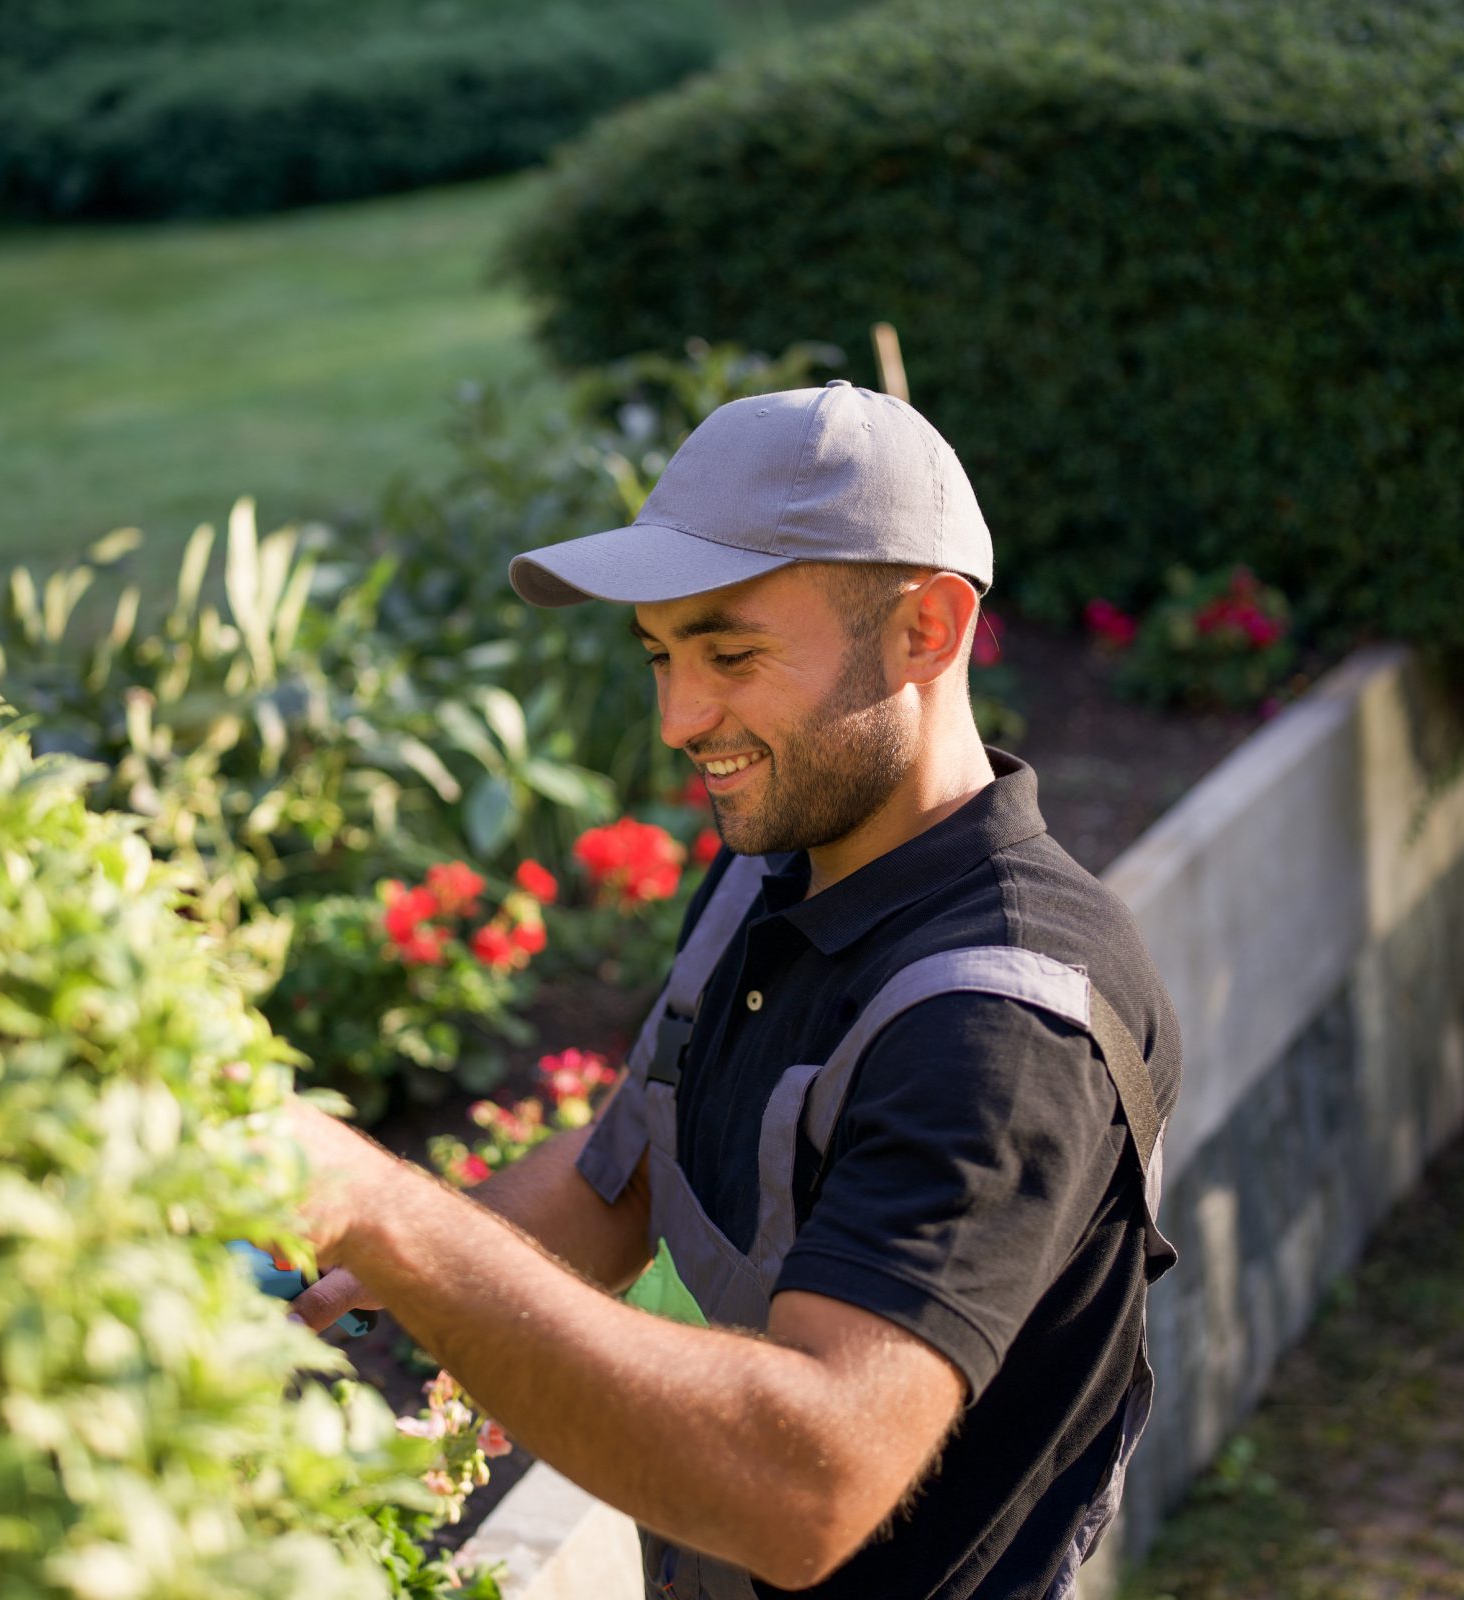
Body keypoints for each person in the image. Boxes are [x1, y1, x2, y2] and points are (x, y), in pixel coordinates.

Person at [282, 379, 1181, 1598]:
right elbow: (639, 1169)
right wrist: (364, 1265)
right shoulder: (780, 857)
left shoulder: (1004, 1022)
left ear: (928, 628)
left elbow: (803, 1485)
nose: (678, 717)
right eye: (658, 653)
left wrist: (391, 1213)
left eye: (731, 651)